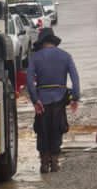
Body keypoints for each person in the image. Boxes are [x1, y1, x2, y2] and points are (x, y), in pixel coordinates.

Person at [26, 29, 80, 174]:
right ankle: (55, 163)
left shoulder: (35, 58)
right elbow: (75, 78)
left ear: (42, 43)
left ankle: (44, 163)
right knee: (57, 128)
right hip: (59, 98)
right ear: (54, 41)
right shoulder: (66, 56)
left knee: (42, 130)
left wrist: (35, 100)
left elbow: (29, 82)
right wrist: (75, 97)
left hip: (42, 100)